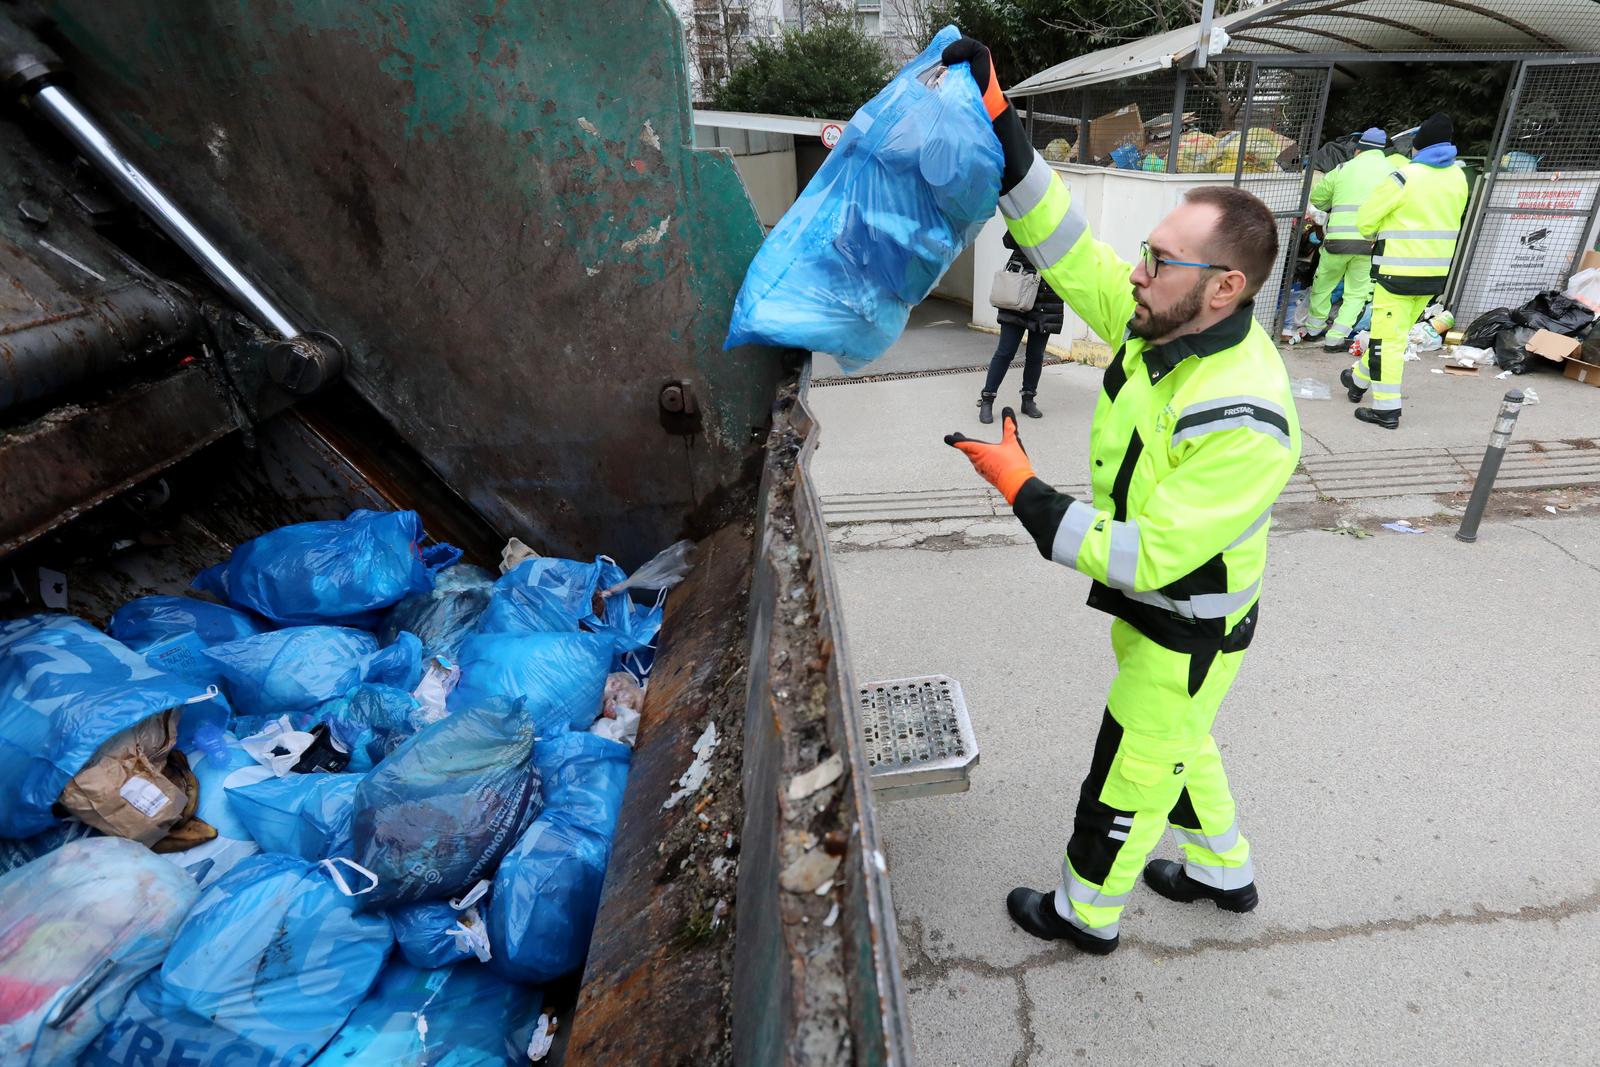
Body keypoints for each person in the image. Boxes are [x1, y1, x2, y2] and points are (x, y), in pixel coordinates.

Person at [939, 36, 1301, 956]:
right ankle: (1224, 871)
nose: (1137, 271)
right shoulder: (1161, 324)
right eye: (1146, 252)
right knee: (1182, 742)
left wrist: (1024, 491)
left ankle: (1084, 912)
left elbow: (1152, 555)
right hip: (1165, 618)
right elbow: (1068, 249)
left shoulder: (1246, 416)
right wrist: (1003, 130)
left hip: (1186, 622)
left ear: (1225, 287)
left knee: (1130, 771)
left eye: (1161, 260)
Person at [1343, 112, 1469, 428]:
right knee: (1393, 335)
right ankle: (1357, 380)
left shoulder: (1404, 176)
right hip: (1432, 276)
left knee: (1387, 343)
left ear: (1418, 145)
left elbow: (1365, 221)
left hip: (1396, 274)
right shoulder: (1458, 178)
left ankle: (1386, 410)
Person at [1302, 127, 1392, 350]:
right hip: (1368, 243)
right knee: (1357, 292)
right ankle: (1335, 339)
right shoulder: (1393, 172)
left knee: (1324, 284)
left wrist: (1332, 204)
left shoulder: (1343, 168)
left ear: (1358, 150)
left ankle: (1313, 330)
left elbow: (1318, 199)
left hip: (1336, 242)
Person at [979, 231, 1065, 424]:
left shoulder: (1063, 225)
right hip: (1018, 291)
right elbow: (1008, 241)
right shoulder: (1026, 219)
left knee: (1036, 355)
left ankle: (1028, 399)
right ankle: (987, 399)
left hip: (1046, 298)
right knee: (1005, 352)